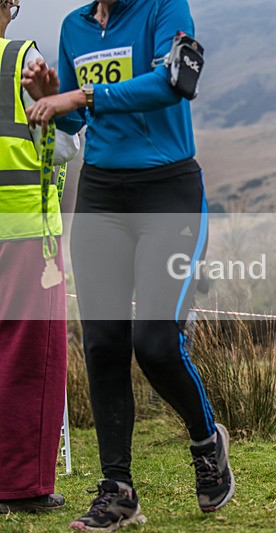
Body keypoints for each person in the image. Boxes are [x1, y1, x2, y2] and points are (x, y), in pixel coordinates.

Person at [24, 0, 234, 529]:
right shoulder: (73, 26)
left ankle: (206, 440)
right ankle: (118, 489)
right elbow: (76, 117)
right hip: (101, 196)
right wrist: (52, 96)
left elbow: (173, 82)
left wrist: (81, 93)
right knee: (103, 343)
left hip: (168, 192)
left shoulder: (165, 8)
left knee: (157, 341)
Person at [0, 0, 80, 514]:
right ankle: (20, 484)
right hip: (24, 230)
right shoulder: (21, 59)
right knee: (29, 355)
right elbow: (62, 148)